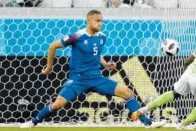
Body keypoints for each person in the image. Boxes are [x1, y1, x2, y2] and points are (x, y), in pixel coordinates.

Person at [20, 10, 165, 128]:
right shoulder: (77, 36)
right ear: (89, 20)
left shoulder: (102, 37)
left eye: (101, 21)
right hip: (78, 79)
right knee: (58, 104)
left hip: (96, 78)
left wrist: (106, 65)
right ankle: (33, 122)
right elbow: (53, 46)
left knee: (128, 93)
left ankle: (148, 123)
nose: (100, 23)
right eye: (97, 20)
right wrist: (49, 67)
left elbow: (97, 53)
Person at [131, 24, 196, 129]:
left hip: (190, 71)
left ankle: (143, 110)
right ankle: (182, 125)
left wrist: (186, 77)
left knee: (175, 93)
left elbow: (187, 62)